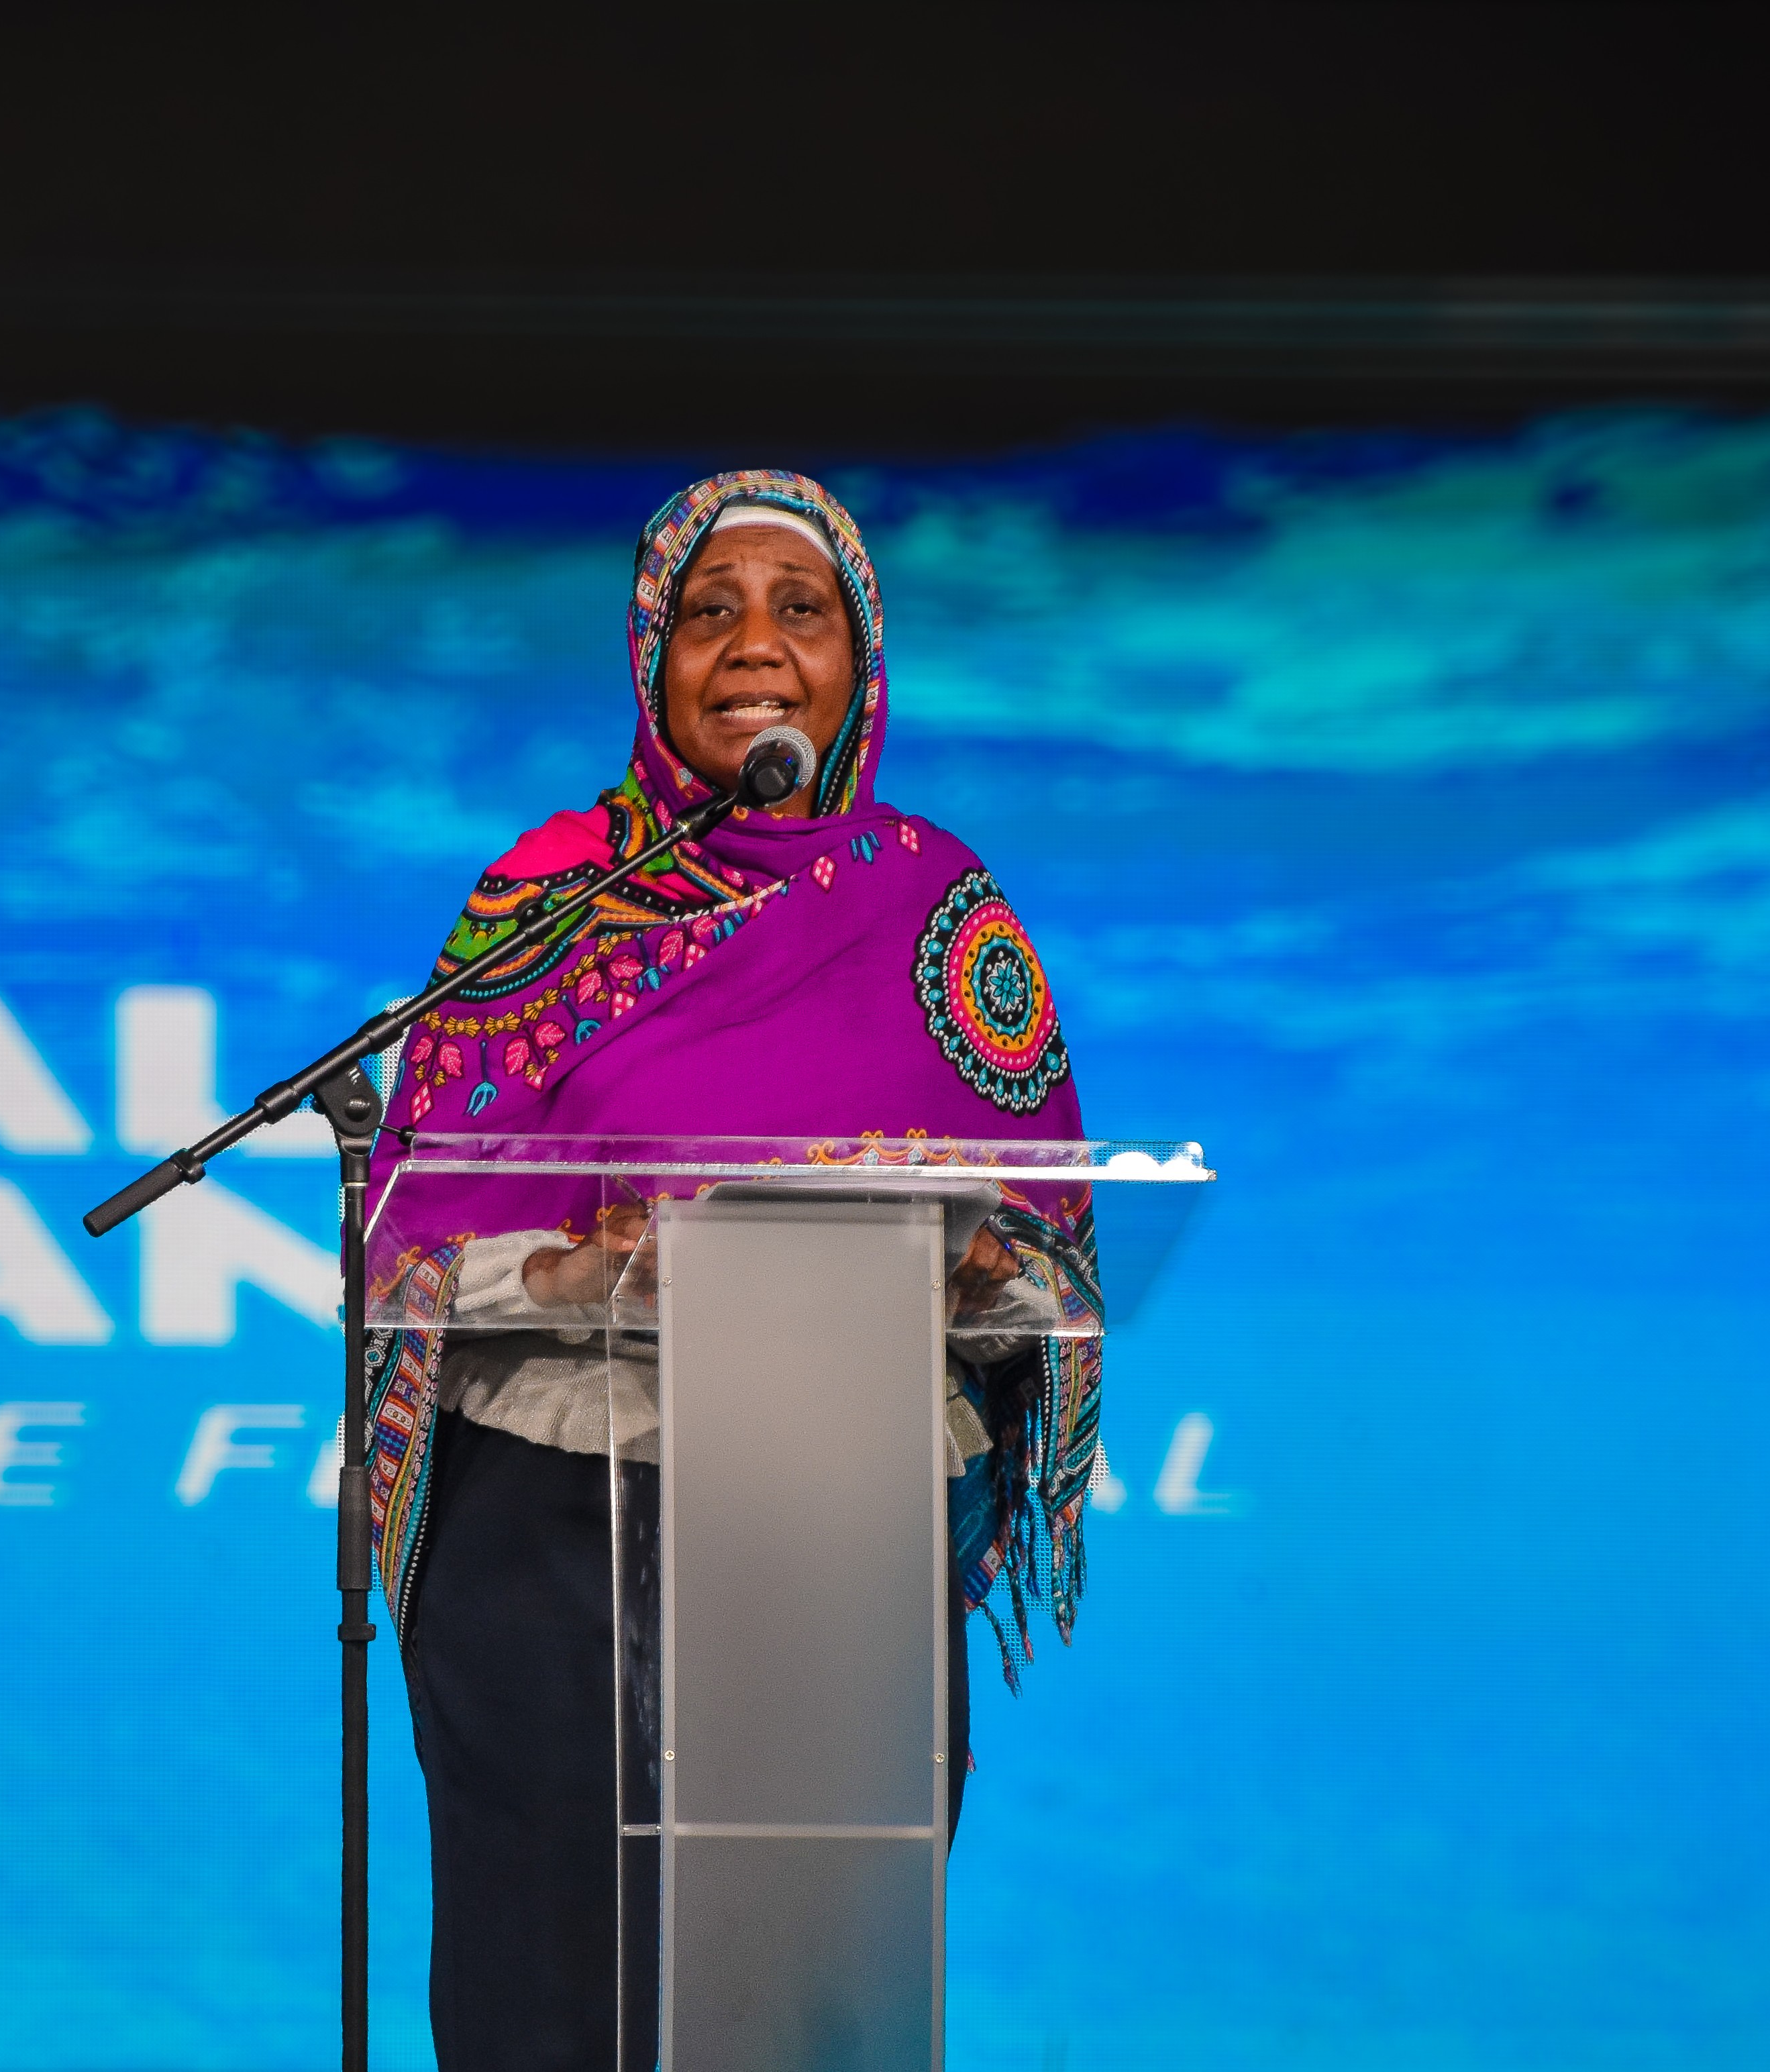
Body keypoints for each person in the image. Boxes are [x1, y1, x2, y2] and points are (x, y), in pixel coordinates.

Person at [359, 470, 1100, 2071]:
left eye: (800, 609)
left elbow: (1044, 1260)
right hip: (552, 1527)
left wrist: (968, 1262)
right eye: (710, 611)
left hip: (839, 1533)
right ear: (652, 656)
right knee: (547, 2016)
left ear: (859, 658)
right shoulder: (547, 899)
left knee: (809, 2021)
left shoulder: (935, 907)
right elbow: (416, 1236)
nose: (755, 646)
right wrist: (568, 1268)